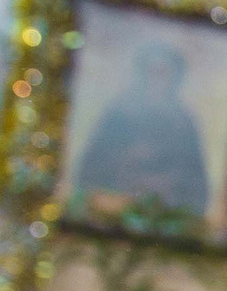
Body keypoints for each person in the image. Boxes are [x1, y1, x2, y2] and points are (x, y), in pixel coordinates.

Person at [70, 42, 211, 225]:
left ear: (174, 78)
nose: (157, 79)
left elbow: (195, 181)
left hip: (164, 216)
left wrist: (166, 183)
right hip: (114, 210)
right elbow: (91, 168)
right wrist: (125, 168)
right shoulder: (118, 112)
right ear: (142, 74)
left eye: (164, 73)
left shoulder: (184, 123)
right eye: (152, 72)